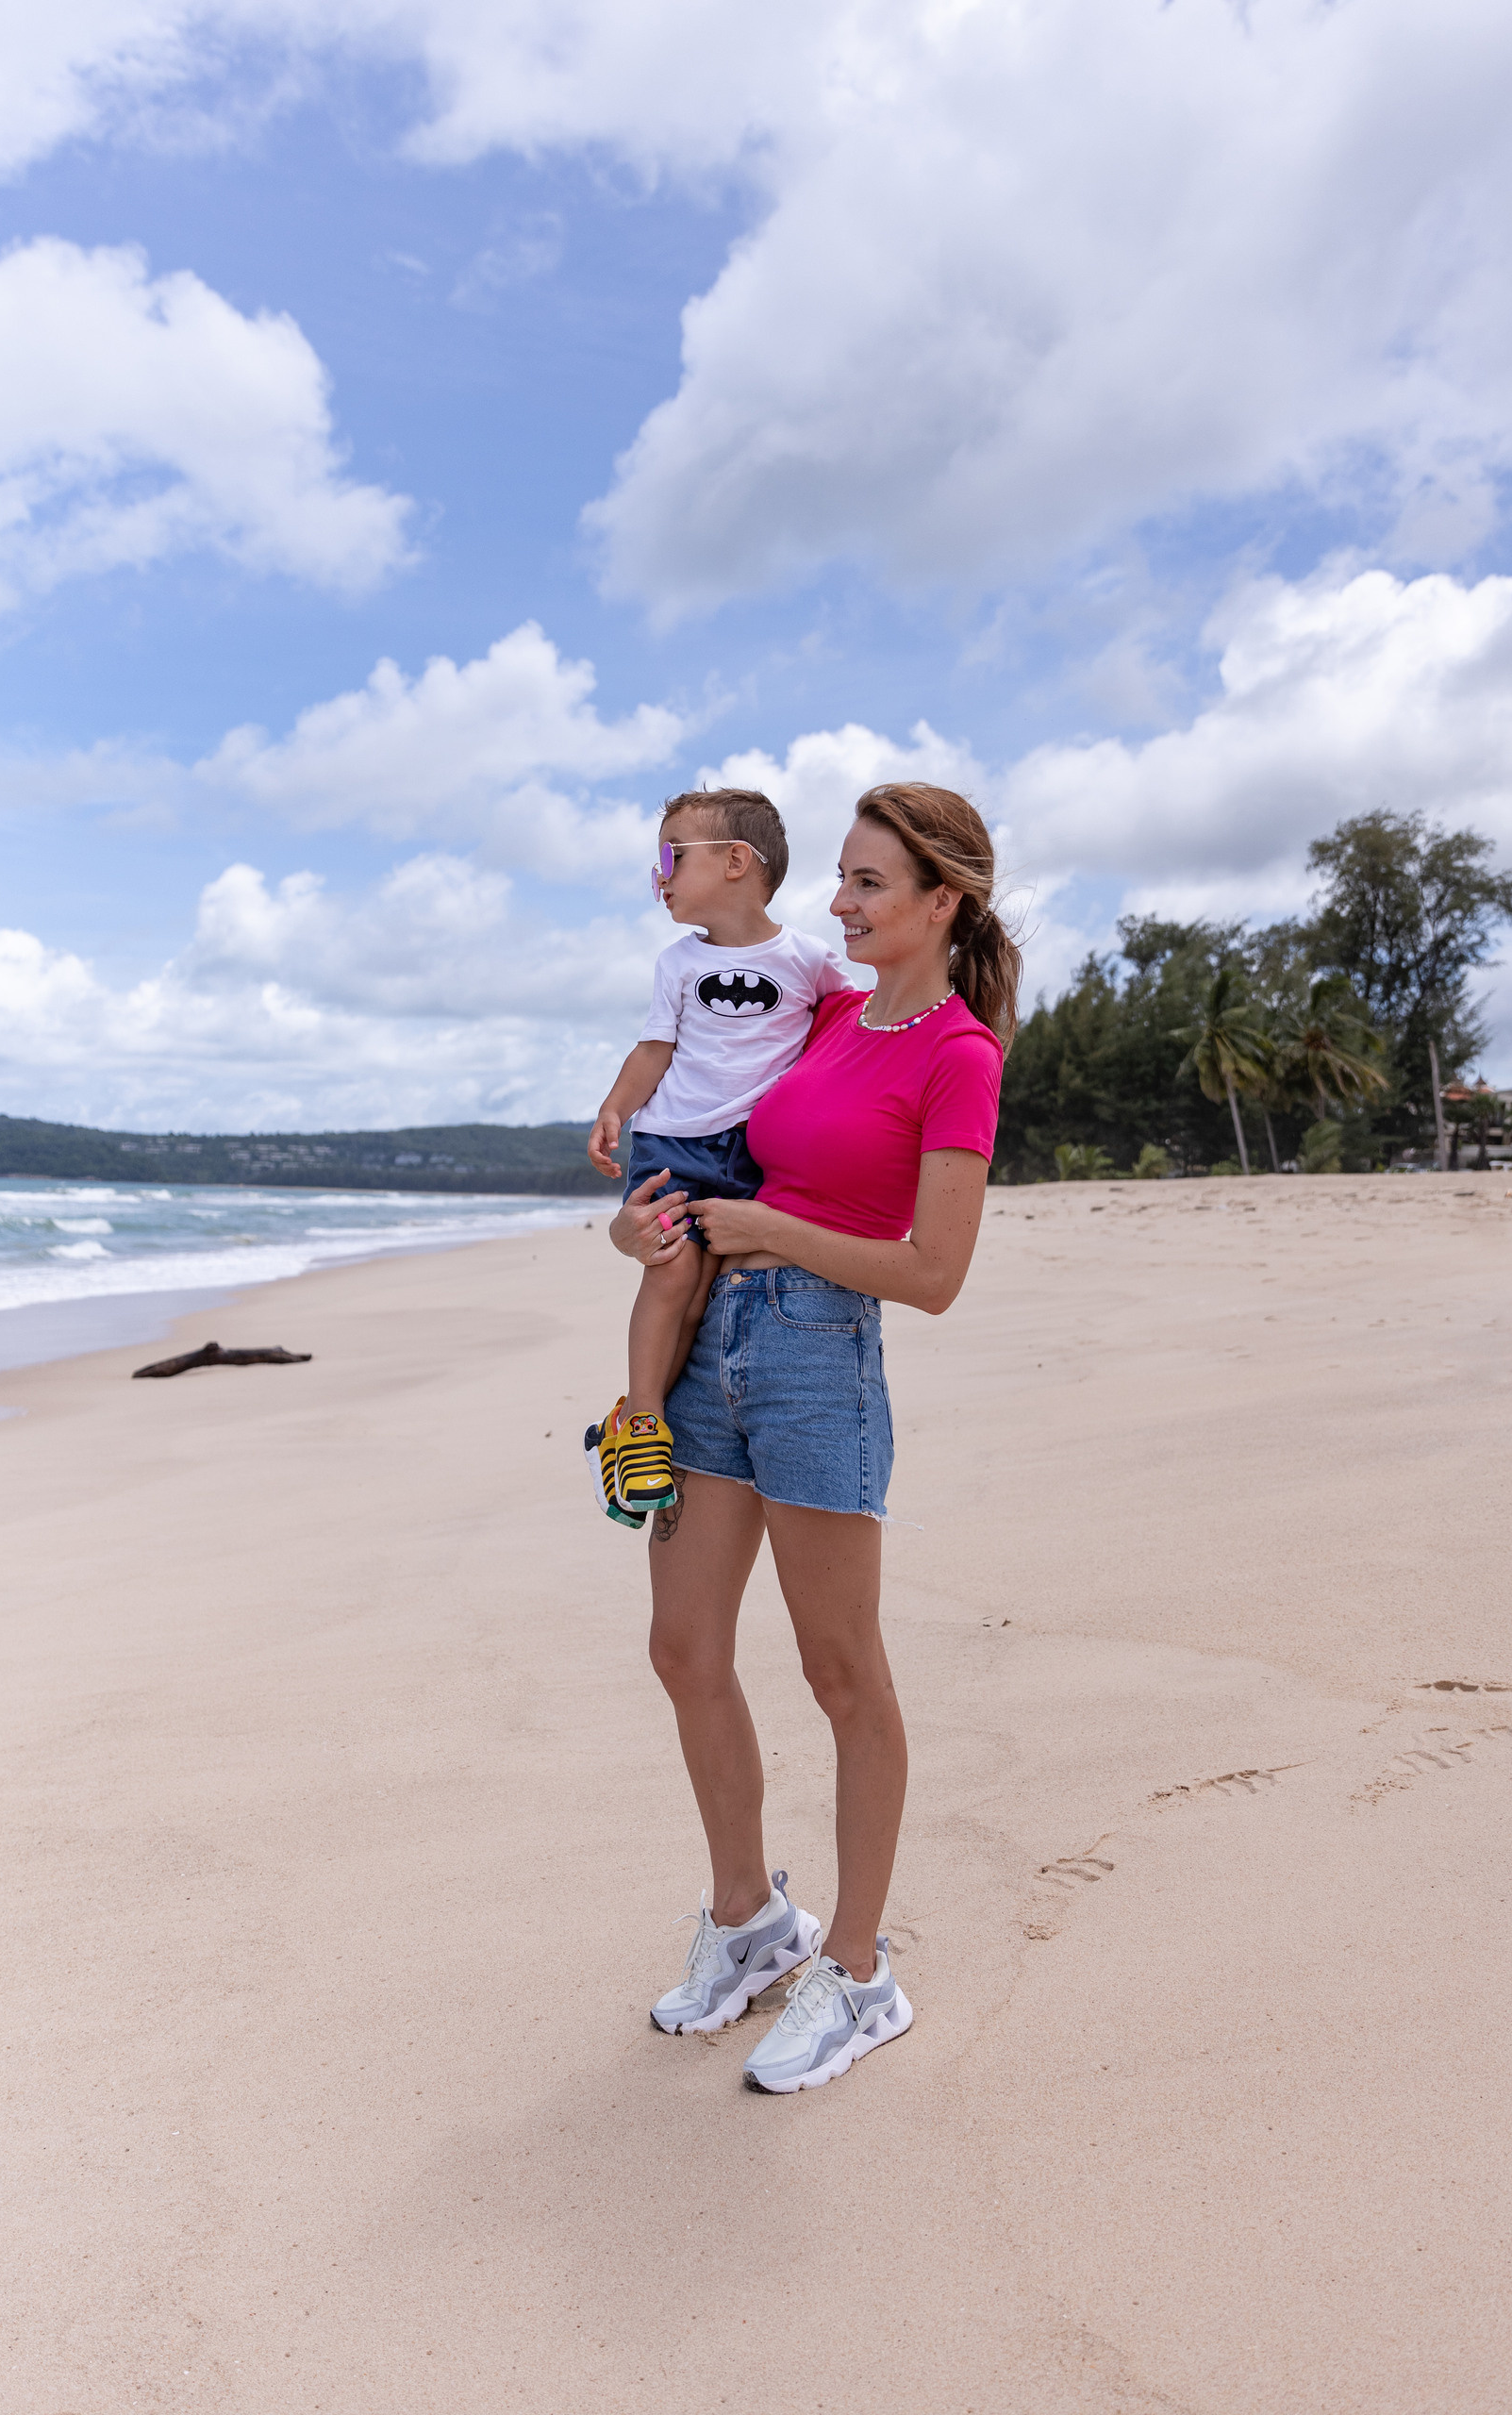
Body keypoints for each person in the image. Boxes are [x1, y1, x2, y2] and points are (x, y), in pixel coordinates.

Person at [608, 781, 1022, 2093]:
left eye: (866, 885)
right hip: (713, 1346)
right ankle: (749, 1922)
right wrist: (643, 1229)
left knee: (843, 1674)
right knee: (683, 1647)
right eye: (838, 879)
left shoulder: (958, 1056)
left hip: (818, 1358)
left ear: (941, 902)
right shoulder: (824, 1008)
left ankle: (857, 1971)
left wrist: (773, 1235)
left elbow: (935, 1272)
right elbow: (702, 1121)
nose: (834, 905)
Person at [585, 788, 847, 1524]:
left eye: (671, 856)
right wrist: (615, 1109)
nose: (657, 874)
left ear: (737, 862)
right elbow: (654, 1048)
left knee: (709, 1295)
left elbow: (856, 1029)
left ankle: (632, 1421)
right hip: (675, 1141)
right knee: (675, 1273)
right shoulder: (678, 963)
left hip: (757, 1152)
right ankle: (642, 1424)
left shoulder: (809, 959)